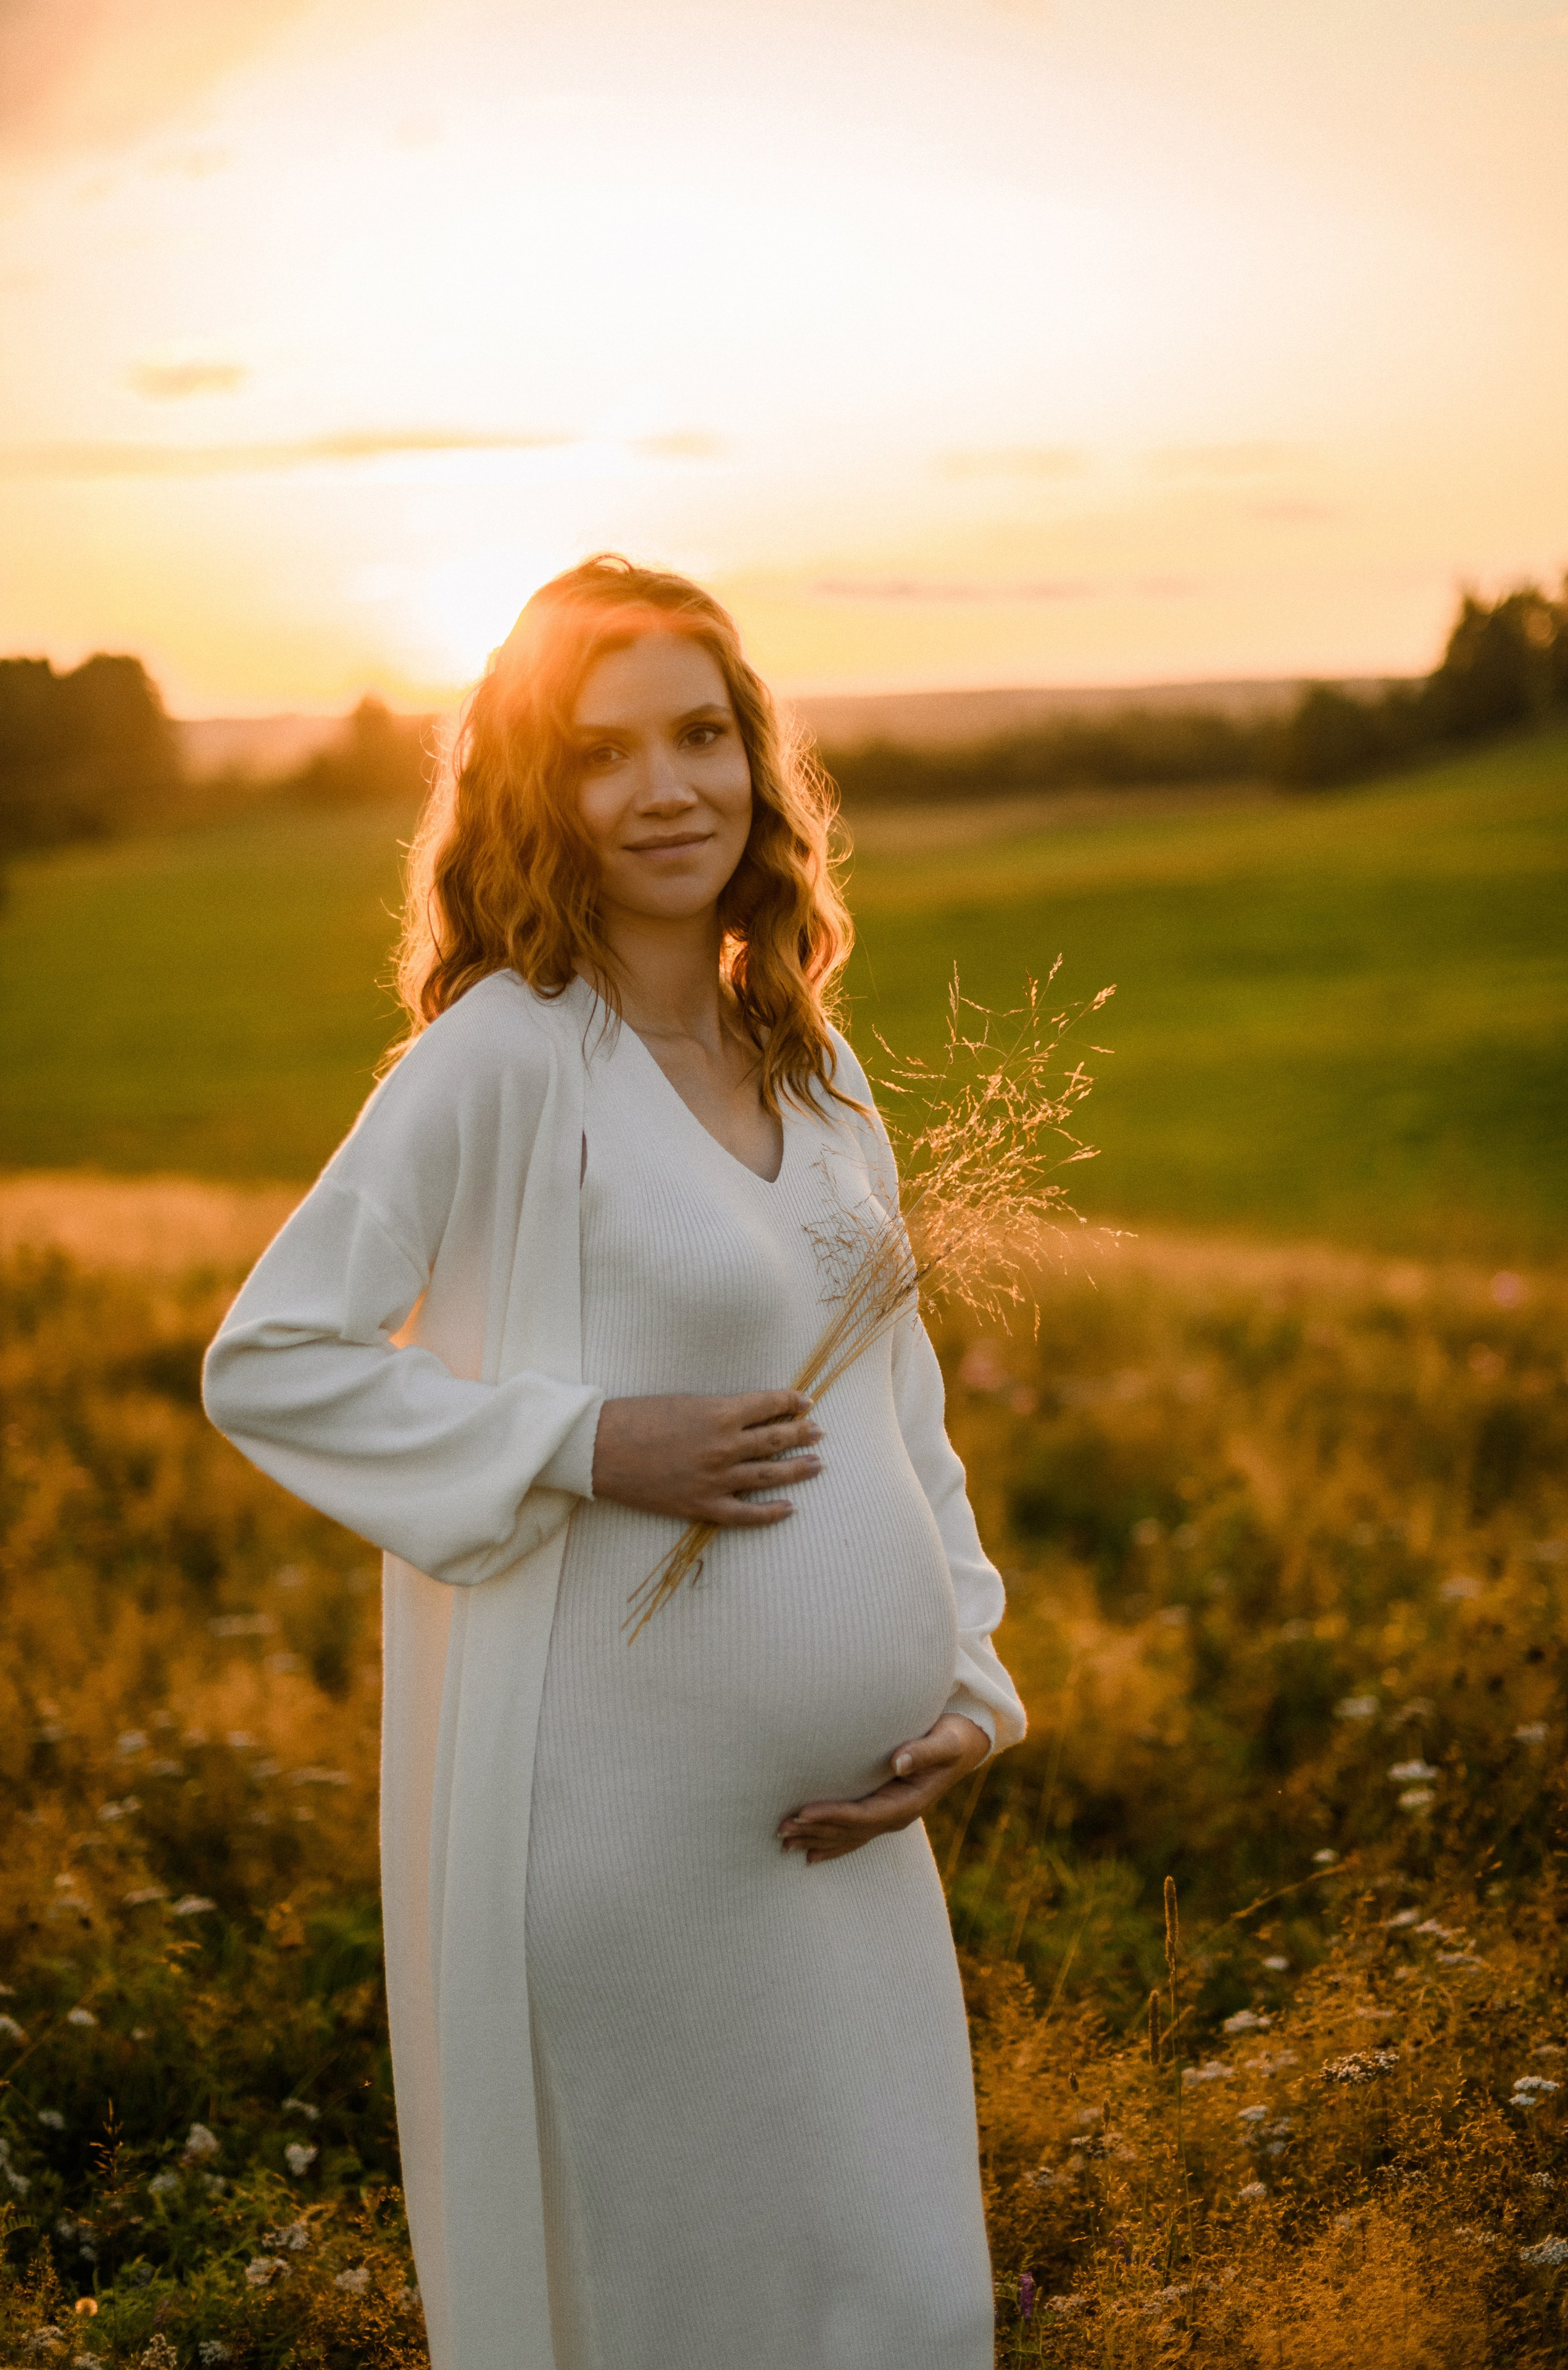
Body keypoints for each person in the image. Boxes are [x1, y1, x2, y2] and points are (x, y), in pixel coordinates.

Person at [202, 554, 1026, 2370]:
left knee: (904, 2303)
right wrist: (583, 1442)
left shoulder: (807, 1059)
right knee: (687, 2312)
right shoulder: (501, 1060)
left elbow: (901, 1415)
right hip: (623, 1849)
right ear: (533, 793)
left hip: (851, 1850)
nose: (667, 789)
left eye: (702, 734)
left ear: (756, 758)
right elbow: (272, 1359)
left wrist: (970, 1686)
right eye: (603, 753)